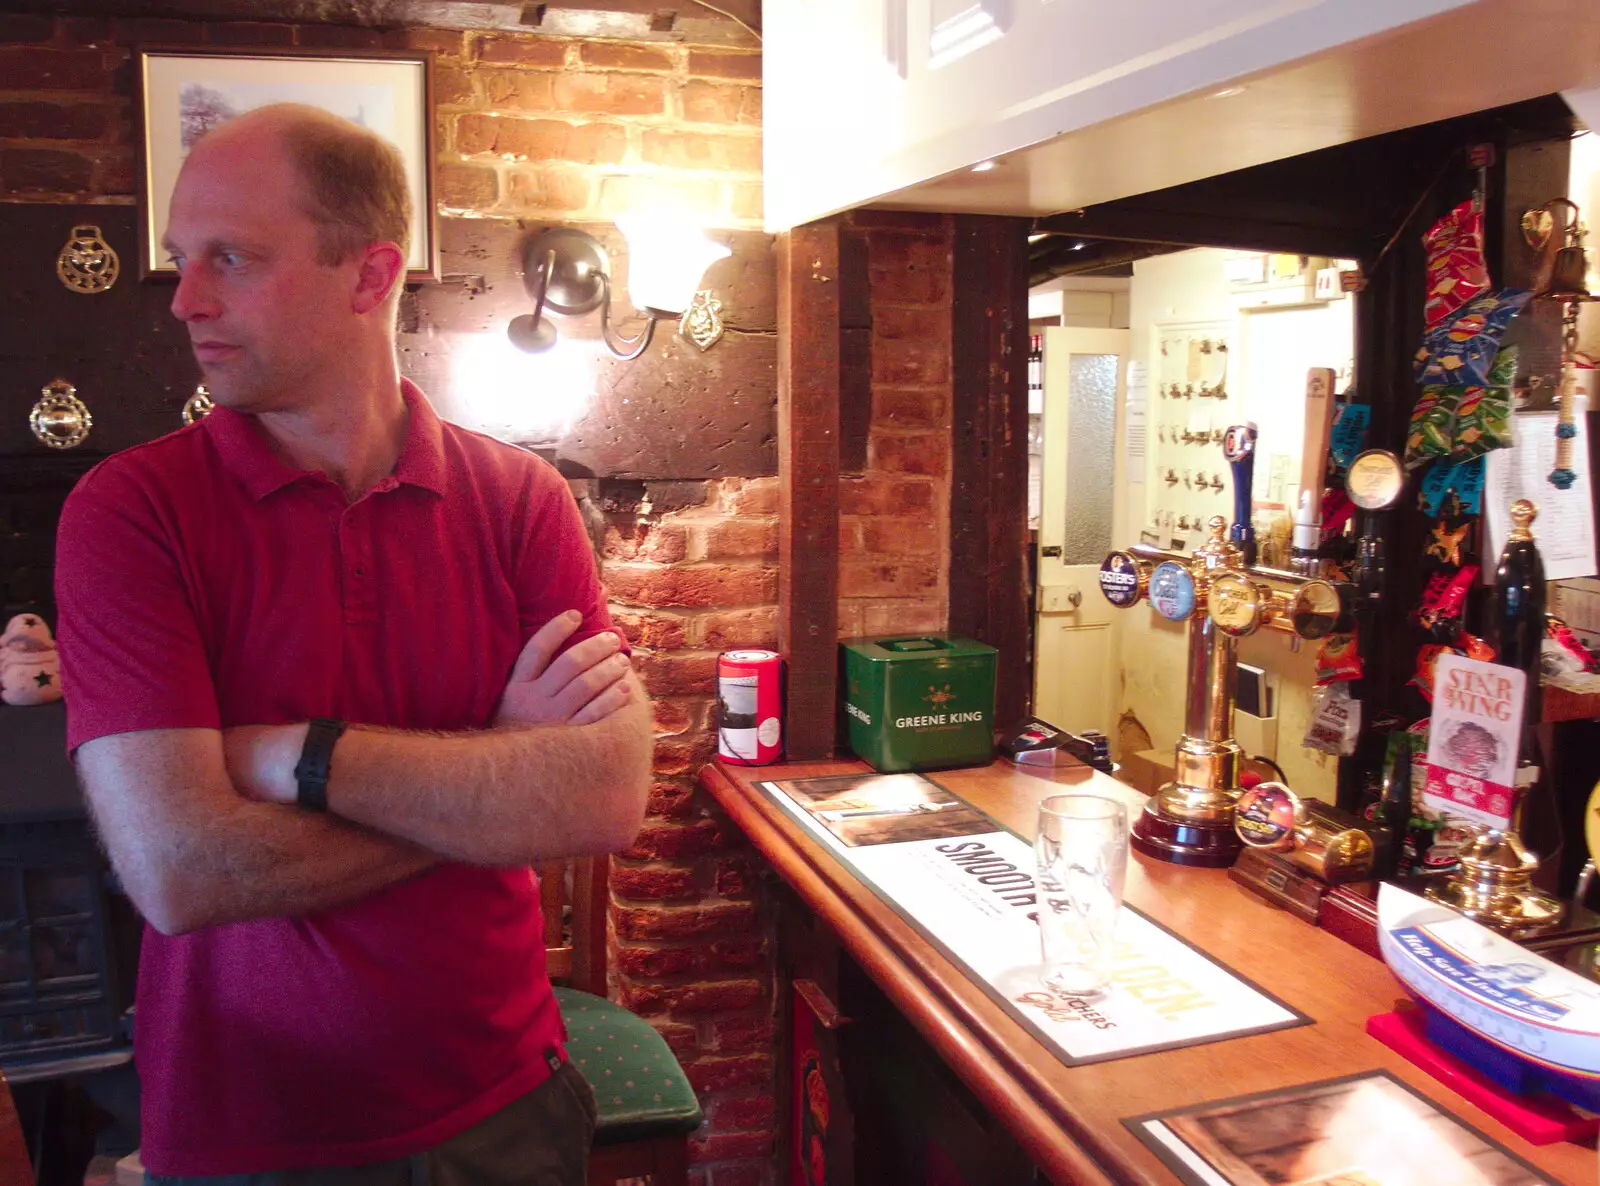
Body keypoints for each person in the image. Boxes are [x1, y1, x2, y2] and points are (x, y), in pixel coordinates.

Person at [53, 103, 652, 1185]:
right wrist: (491, 782)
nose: (185, 299)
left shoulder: (520, 501)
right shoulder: (129, 511)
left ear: (371, 276)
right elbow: (180, 870)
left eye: (230, 258)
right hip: (248, 1129)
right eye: (183, 261)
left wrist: (294, 757)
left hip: (504, 1104)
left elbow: (602, 801)